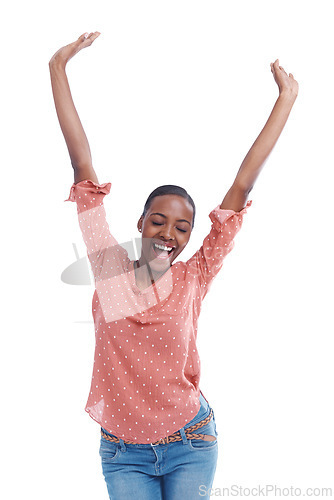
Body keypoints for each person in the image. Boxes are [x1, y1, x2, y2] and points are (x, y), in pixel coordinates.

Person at [49, 32, 298, 499]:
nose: (169, 235)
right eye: (159, 221)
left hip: (192, 441)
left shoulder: (194, 276)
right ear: (140, 223)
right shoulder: (108, 267)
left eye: (182, 228)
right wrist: (57, 68)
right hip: (124, 453)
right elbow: (81, 162)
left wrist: (286, 98)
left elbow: (241, 186)